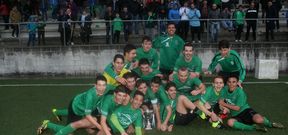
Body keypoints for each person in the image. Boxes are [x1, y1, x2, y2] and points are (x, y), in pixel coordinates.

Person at [37, 75, 108, 135]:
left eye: (104, 85)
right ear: (95, 86)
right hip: (76, 108)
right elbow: (88, 115)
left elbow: (115, 88)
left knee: (90, 130)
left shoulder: (107, 88)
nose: (101, 88)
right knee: (70, 132)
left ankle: (57, 112)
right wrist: (99, 126)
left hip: (86, 107)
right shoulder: (90, 97)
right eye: (99, 85)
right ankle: (47, 124)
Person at [219, 75, 284, 132]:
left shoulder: (240, 92)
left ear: (237, 83)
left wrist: (224, 104)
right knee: (230, 122)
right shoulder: (224, 89)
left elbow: (237, 108)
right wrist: (223, 107)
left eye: (234, 82)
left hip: (245, 111)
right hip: (235, 116)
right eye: (229, 82)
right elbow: (220, 100)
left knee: (259, 120)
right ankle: (253, 127)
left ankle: (270, 124)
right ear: (227, 82)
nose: (231, 84)